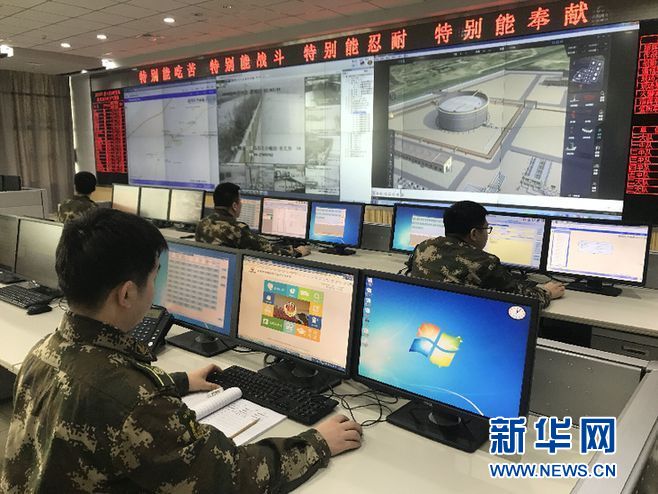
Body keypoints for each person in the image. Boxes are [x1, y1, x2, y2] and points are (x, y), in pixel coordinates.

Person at [0, 208, 362, 493]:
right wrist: (318, 444)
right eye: (155, 275)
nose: (156, 287)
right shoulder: (136, 404)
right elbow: (229, 478)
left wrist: (176, 382)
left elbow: (96, 396)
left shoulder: (43, 352)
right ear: (127, 294)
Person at [410, 201, 564, 308]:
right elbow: (526, 301)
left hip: (425, 313)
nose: (487, 234)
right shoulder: (485, 263)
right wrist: (548, 291)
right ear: (474, 234)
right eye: (486, 229)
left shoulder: (423, 246)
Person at [196, 182, 310, 257]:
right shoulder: (237, 230)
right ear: (234, 206)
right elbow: (267, 249)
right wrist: (297, 251)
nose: (241, 204)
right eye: (240, 201)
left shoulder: (202, 223)